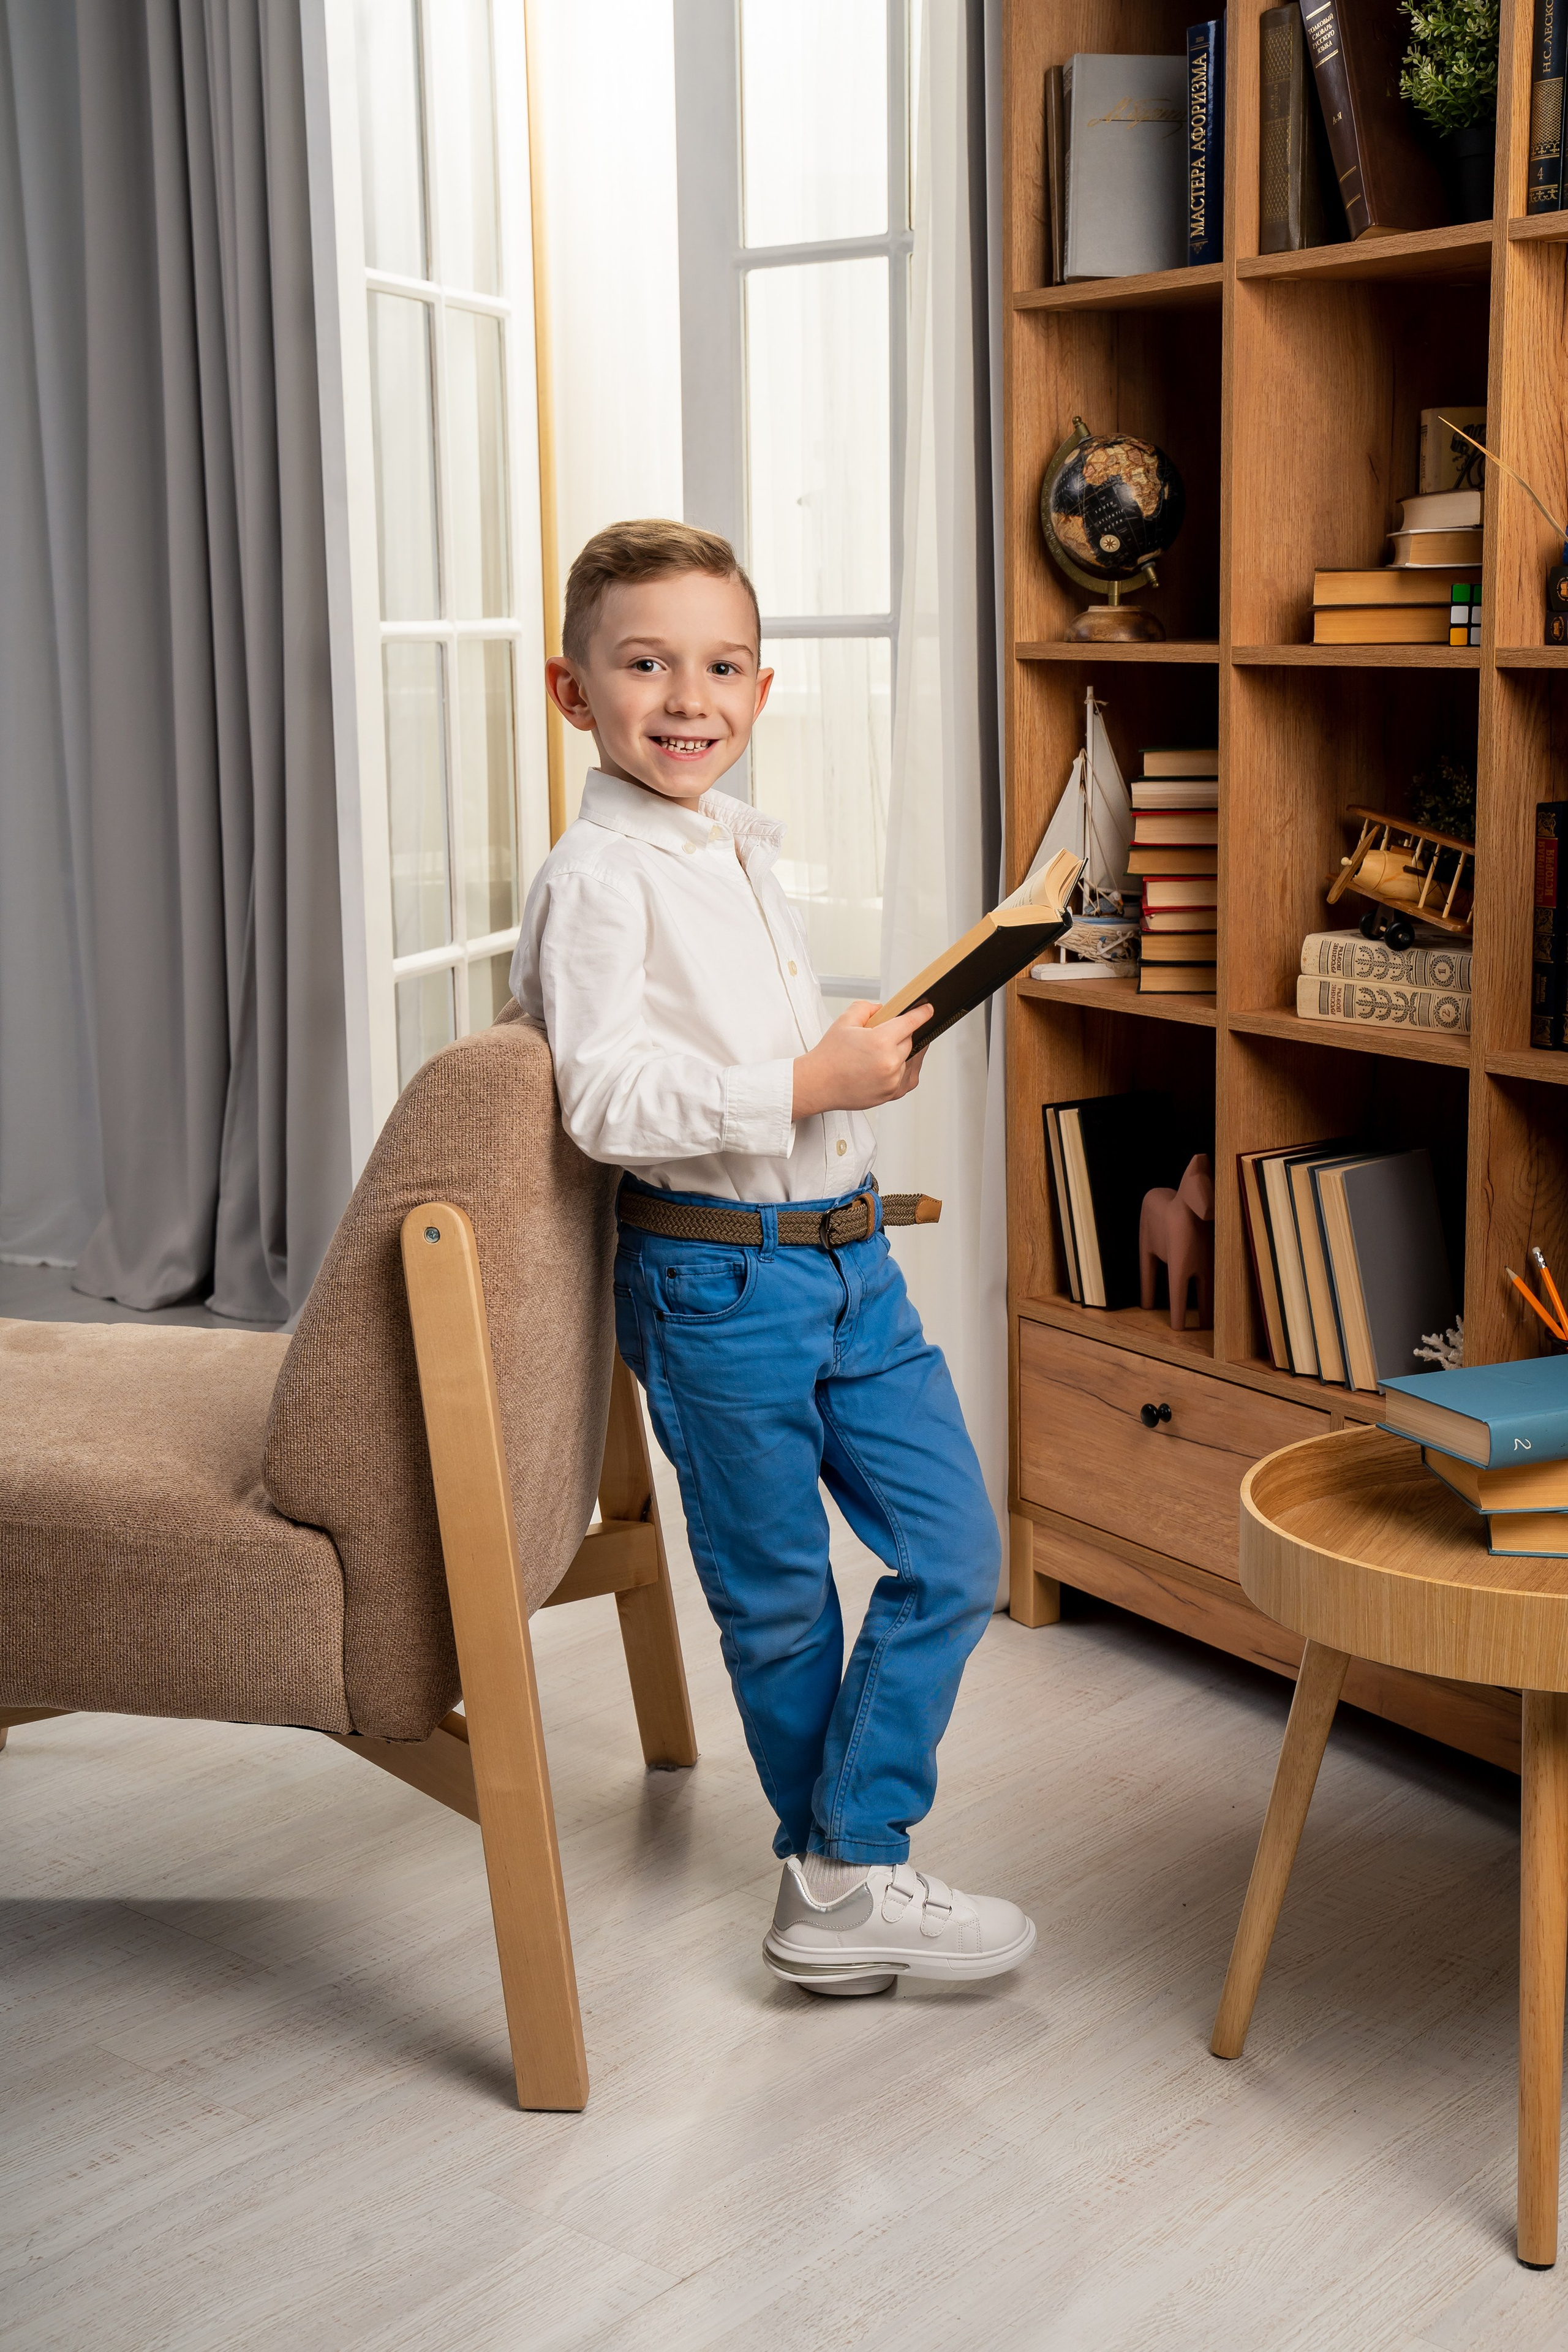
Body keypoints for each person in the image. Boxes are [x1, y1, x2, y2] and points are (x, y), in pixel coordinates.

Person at [512, 518, 1035, 1997]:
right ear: (574, 692)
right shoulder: (601, 877)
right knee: (779, 1594)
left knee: (952, 1555)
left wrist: (845, 1077)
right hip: (712, 1281)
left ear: (760, 685)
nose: (689, 698)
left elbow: (756, 1063)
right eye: (645, 665)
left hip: (847, 1262)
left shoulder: (732, 845)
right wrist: (804, 1087)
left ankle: (835, 1866)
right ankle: (850, 1877)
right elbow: (605, 1102)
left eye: (720, 665)